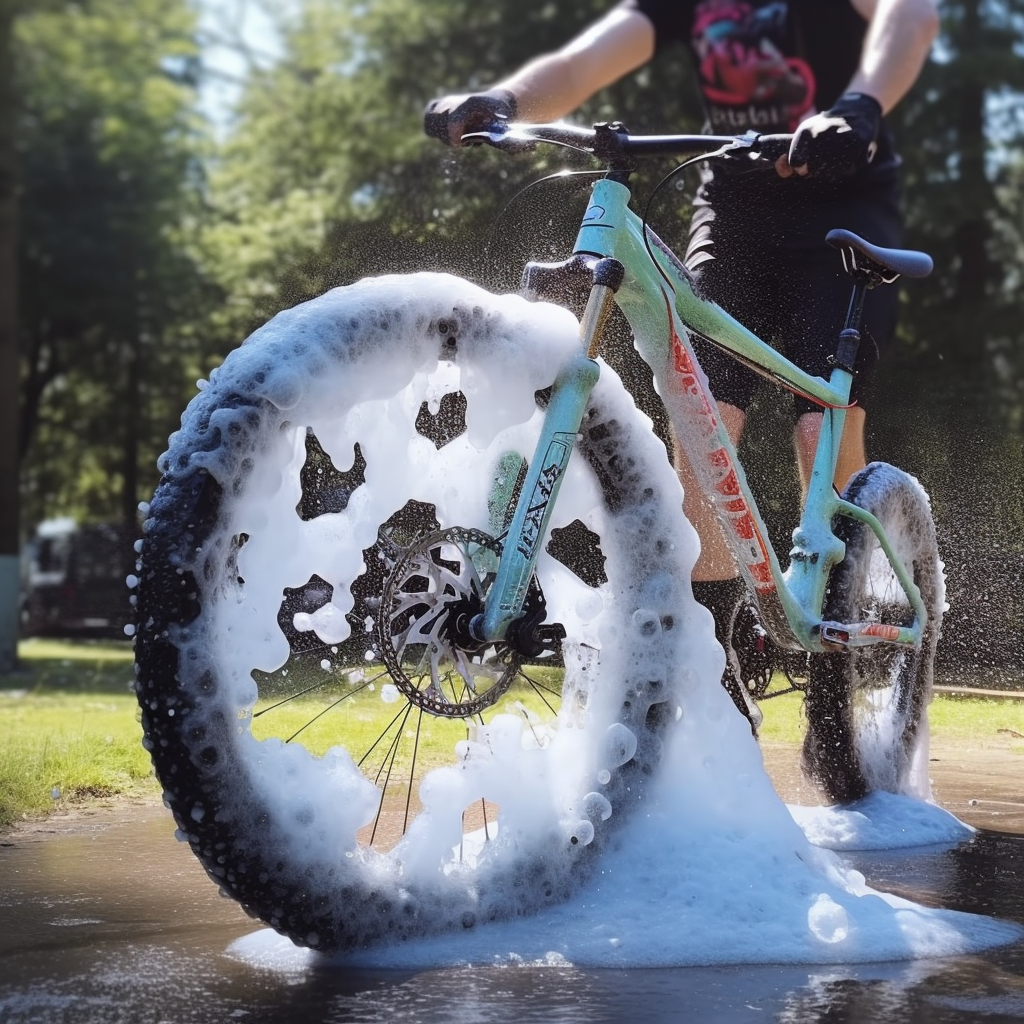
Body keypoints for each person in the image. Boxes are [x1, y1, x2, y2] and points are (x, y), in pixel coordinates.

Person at [425, 0, 939, 726]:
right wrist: (504, 100)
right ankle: (722, 652)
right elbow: (582, 62)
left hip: (846, 197)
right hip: (735, 212)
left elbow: (909, 16)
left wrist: (860, 105)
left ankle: (839, 639)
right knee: (700, 409)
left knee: (818, 420)